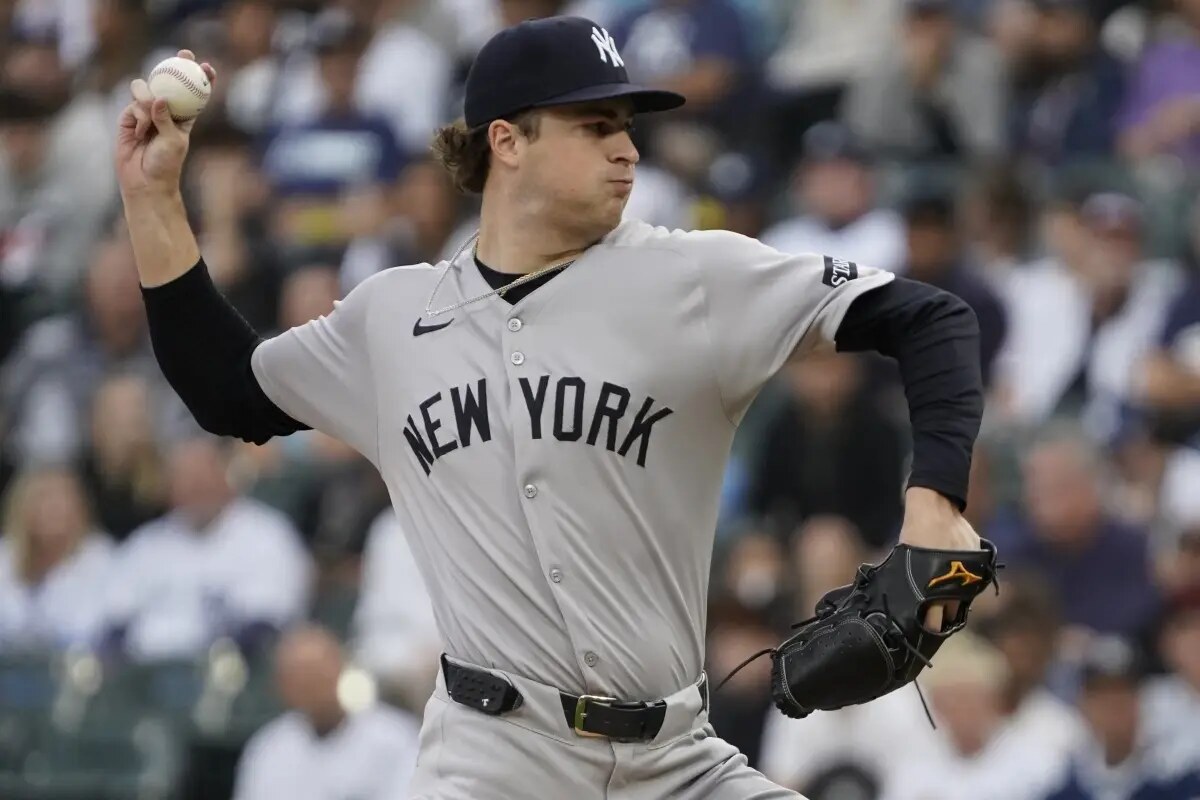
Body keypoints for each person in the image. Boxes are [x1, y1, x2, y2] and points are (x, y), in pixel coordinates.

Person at [115, 16, 988, 798]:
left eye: (628, 128)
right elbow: (226, 388)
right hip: (489, 762)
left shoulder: (692, 277)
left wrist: (935, 503)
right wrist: (155, 199)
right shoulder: (394, 317)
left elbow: (931, 318)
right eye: (596, 125)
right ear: (508, 140)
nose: (629, 150)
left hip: (679, 761)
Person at [232, 624, 421, 800]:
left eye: (318, 673)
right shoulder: (267, 749)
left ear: (340, 668)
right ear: (281, 686)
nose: (311, 686)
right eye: (299, 677)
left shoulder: (395, 737)